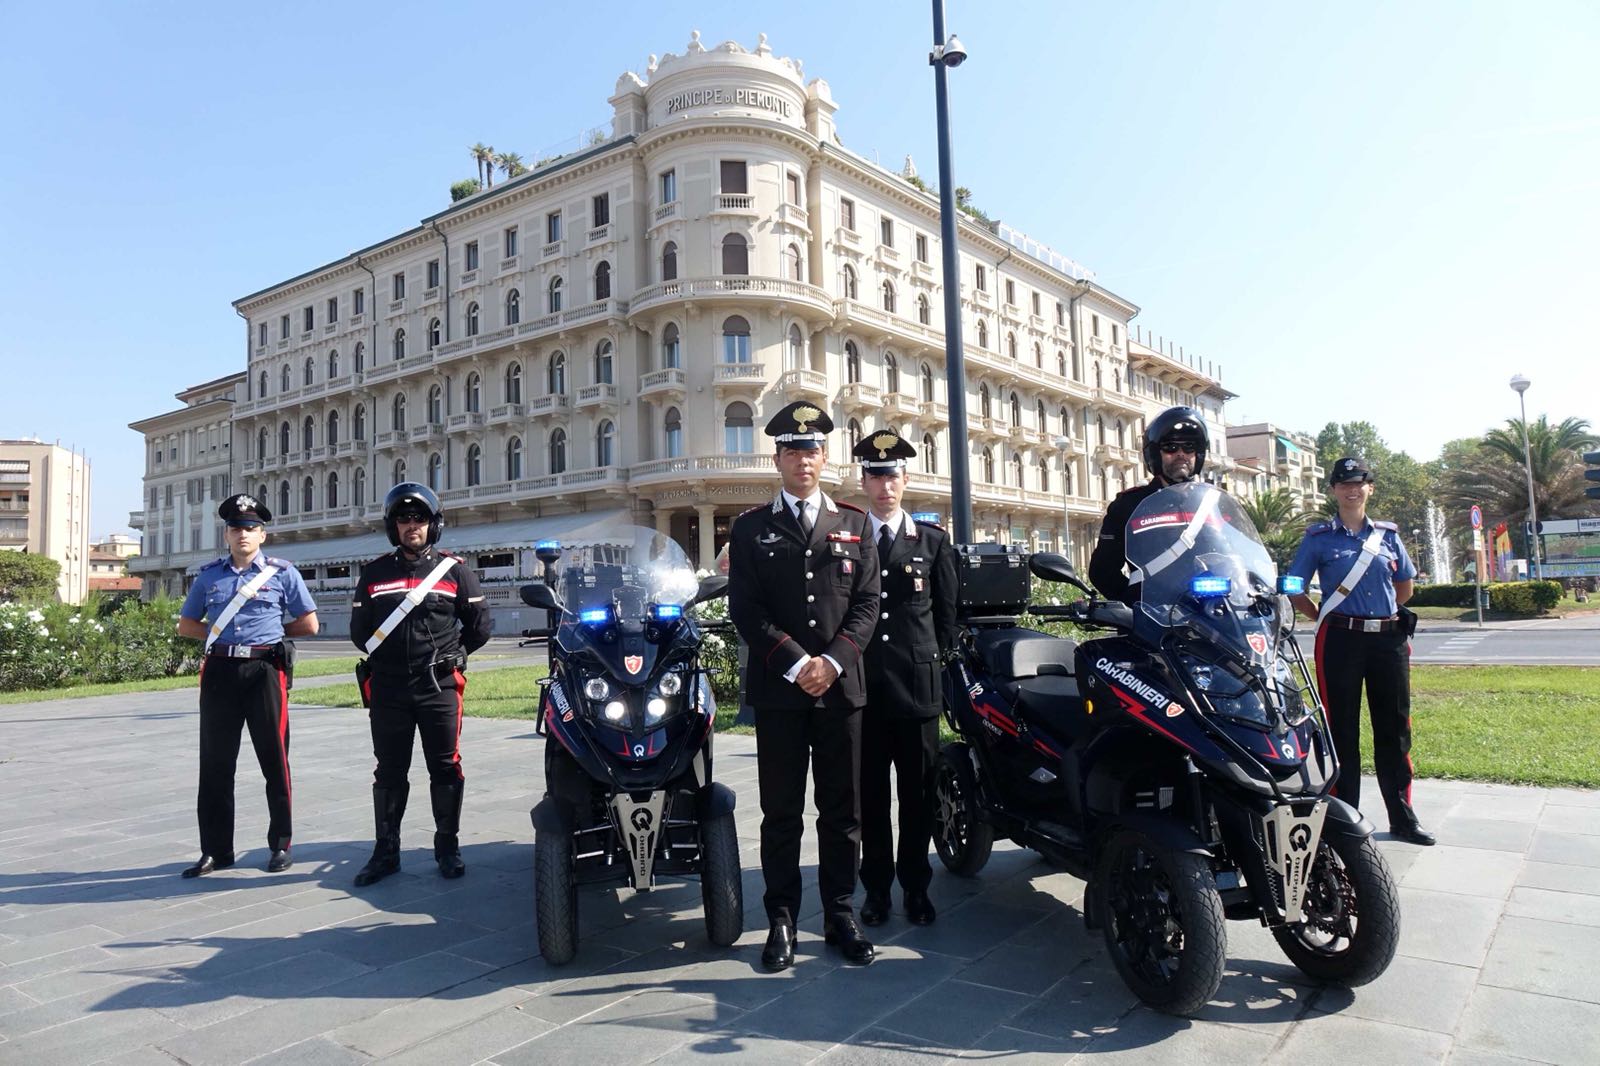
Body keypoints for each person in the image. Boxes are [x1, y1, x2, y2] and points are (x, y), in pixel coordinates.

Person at [728, 400, 881, 970]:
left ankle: (842, 913)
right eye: (793, 450)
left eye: (812, 449)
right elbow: (746, 608)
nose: (803, 459)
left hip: (841, 691)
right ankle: (782, 918)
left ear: (824, 456)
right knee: (782, 810)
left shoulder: (854, 522)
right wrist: (797, 663)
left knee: (843, 810)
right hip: (781, 691)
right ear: (777, 458)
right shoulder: (750, 529)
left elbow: (867, 604)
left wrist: (833, 662)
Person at [349, 483, 493, 885]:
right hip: (390, 688)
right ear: (392, 526)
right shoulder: (375, 573)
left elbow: (480, 627)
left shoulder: (456, 571)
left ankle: (447, 846)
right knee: (389, 770)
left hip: (438, 685)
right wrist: (392, 658)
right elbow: (360, 631)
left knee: (445, 766)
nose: (412, 526)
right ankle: (386, 852)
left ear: (434, 525)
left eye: (420, 519)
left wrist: (454, 654)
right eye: (404, 519)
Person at [1287, 457, 1433, 846]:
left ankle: (1402, 817)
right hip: (1340, 640)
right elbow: (1294, 586)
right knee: (1341, 731)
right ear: (1333, 490)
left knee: (1395, 729)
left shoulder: (1388, 536)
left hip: (1388, 641)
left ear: (1370, 488)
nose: (1352, 490)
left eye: (1360, 483)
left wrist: (1382, 617)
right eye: (1344, 484)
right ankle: (1345, 819)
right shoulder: (1318, 538)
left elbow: (1404, 587)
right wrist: (1321, 615)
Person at [176, 493, 319, 877]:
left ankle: (281, 844)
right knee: (216, 764)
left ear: (263, 535)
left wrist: (270, 635)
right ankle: (216, 850)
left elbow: (309, 623)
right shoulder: (209, 576)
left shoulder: (282, 573)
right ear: (227, 535)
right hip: (221, 671)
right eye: (237, 528)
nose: (243, 534)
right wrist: (222, 638)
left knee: (275, 760)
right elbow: (187, 625)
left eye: (251, 528)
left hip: (264, 672)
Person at [851, 430, 958, 929]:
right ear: (864, 480)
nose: (884, 485)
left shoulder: (932, 541)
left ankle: (916, 887)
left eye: (892, 475)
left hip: (916, 692)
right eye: (875, 475)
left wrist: (939, 672)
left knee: (917, 796)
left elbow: (946, 619)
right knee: (870, 797)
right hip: (865, 691)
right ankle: (876, 890)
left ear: (905, 480)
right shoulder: (848, 540)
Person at [1090, 406, 1209, 604]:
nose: (1181, 454)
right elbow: (1102, 571)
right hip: (1156, 620)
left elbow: (1238, 558)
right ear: (1154, 453)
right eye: (1170, 447)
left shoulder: (1212, 503)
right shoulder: (1130, 505)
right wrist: (1135, 603)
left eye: (1189, 447)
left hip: (1213, 615)